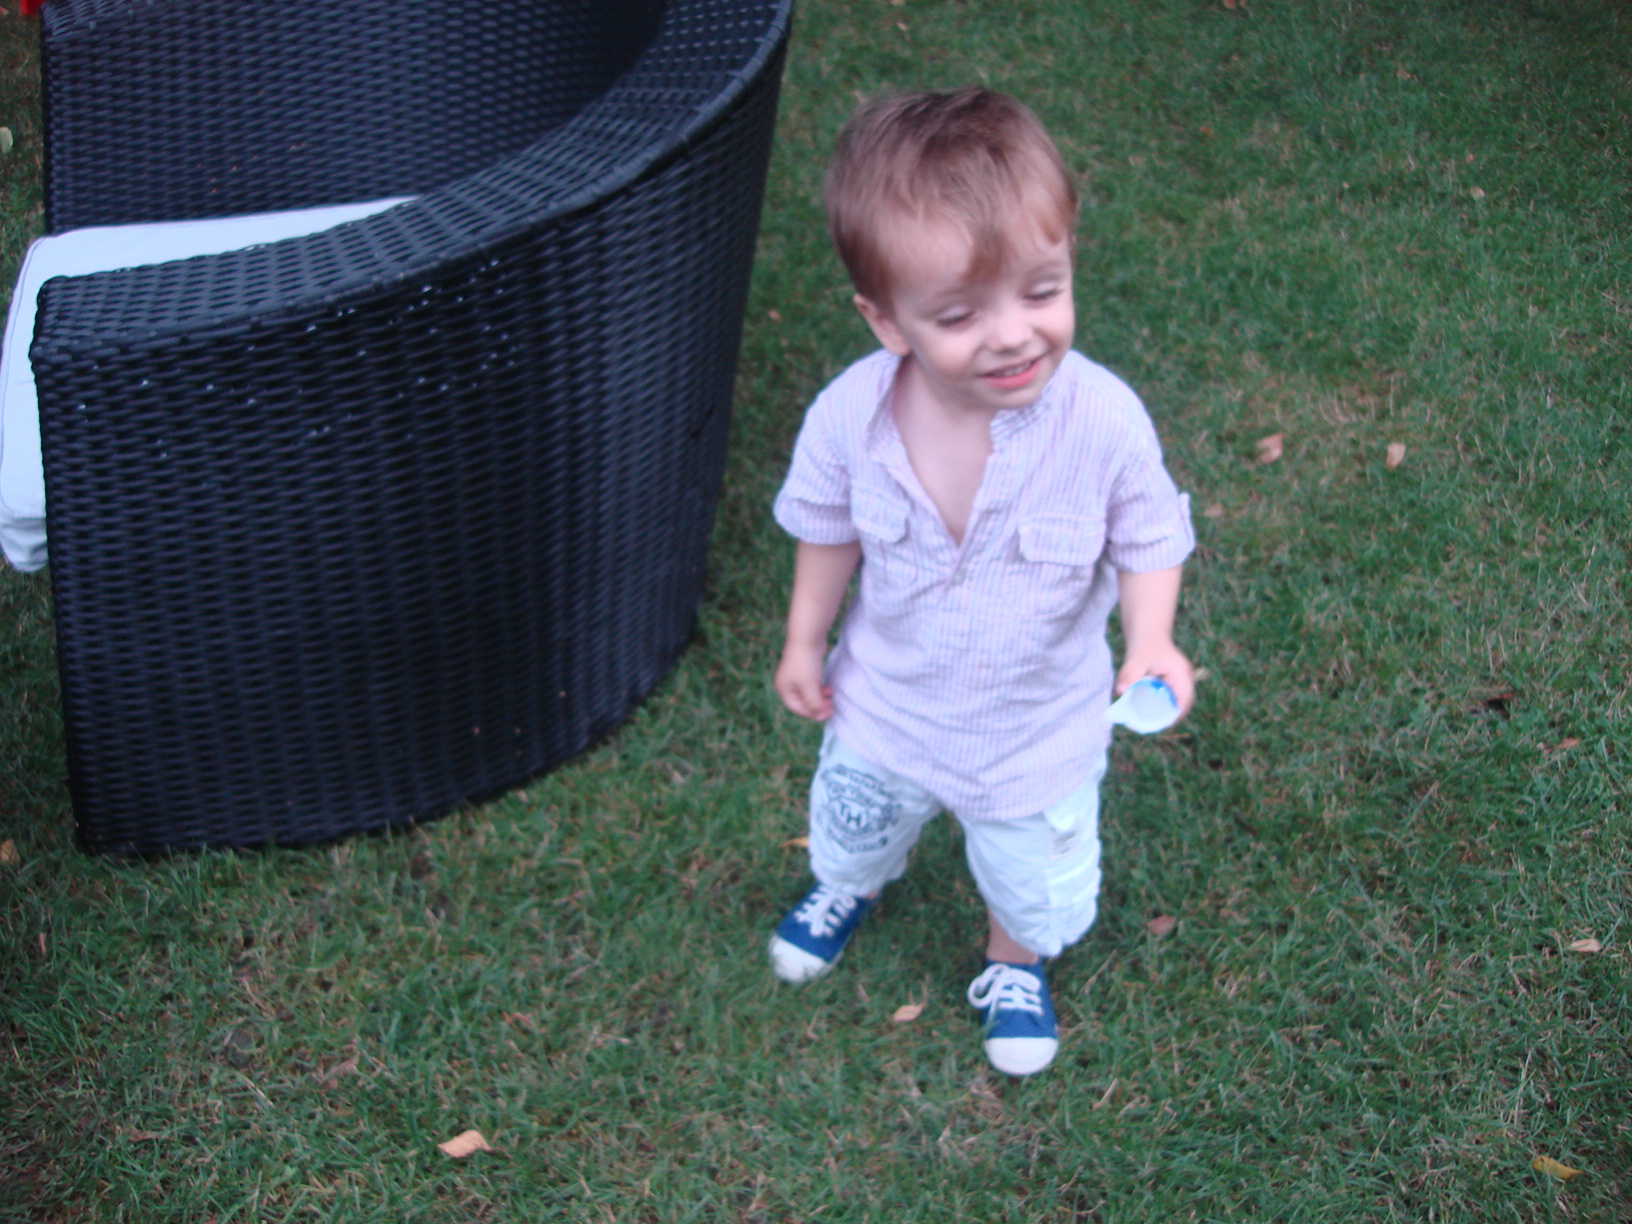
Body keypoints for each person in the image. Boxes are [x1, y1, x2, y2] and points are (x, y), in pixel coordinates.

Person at [767, 88, 1196, 1076]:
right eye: (960, 314)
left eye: (1041, 292)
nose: (1011, 335)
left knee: (1028, 875)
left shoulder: (1103, 423)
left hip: (1031, 734)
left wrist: (1152, 639)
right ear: (887, 321)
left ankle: (1014, 962)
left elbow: (1149, 536)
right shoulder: (849, 417)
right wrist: (803, 639)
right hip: (887, 706)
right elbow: (827, 530)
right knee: (855, 827)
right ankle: (850, 887)